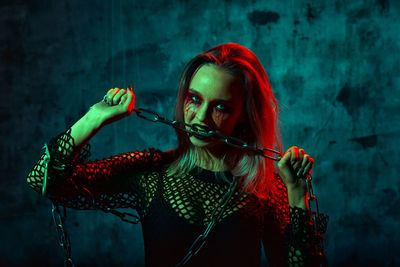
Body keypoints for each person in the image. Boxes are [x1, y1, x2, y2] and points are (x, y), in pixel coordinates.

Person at [27, 43, 327, 266]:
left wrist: (297, 195)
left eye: (220, 107)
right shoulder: (152, 171)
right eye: (194, 99)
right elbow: (43, 179)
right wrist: (94, 118)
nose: (201, 118)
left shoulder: (265, 189)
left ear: (243, 116)